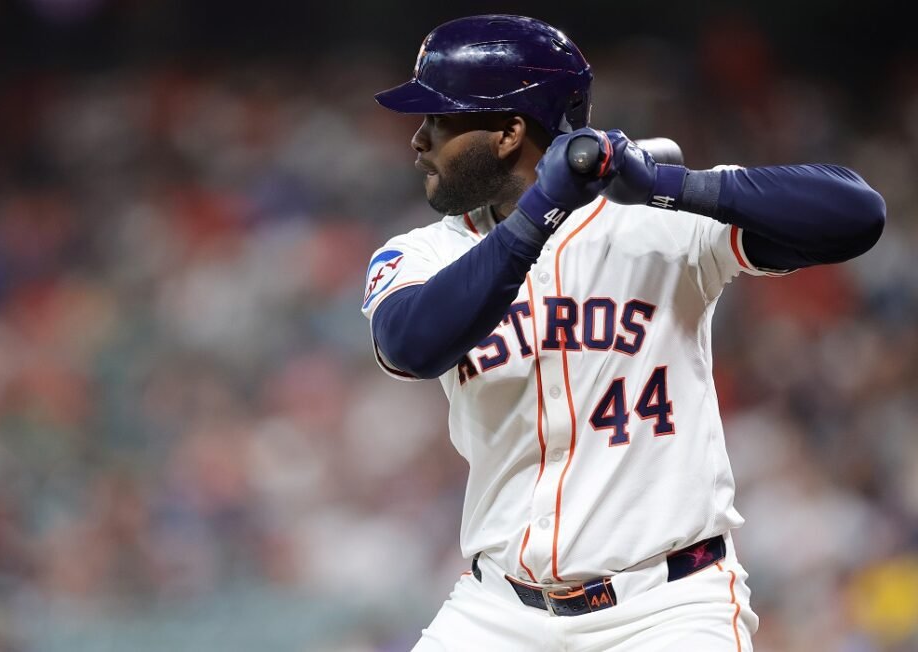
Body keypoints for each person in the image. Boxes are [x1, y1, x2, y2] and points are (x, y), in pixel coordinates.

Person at [362, 14, 885, 651]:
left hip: (665, 607)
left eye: (439, 120)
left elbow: (858, 214)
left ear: (507, 132)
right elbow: (411, 345)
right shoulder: (420, 255)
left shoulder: (659, 224)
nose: (418, 140)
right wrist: (539, 212)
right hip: (497, 611)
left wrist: (671, 185)